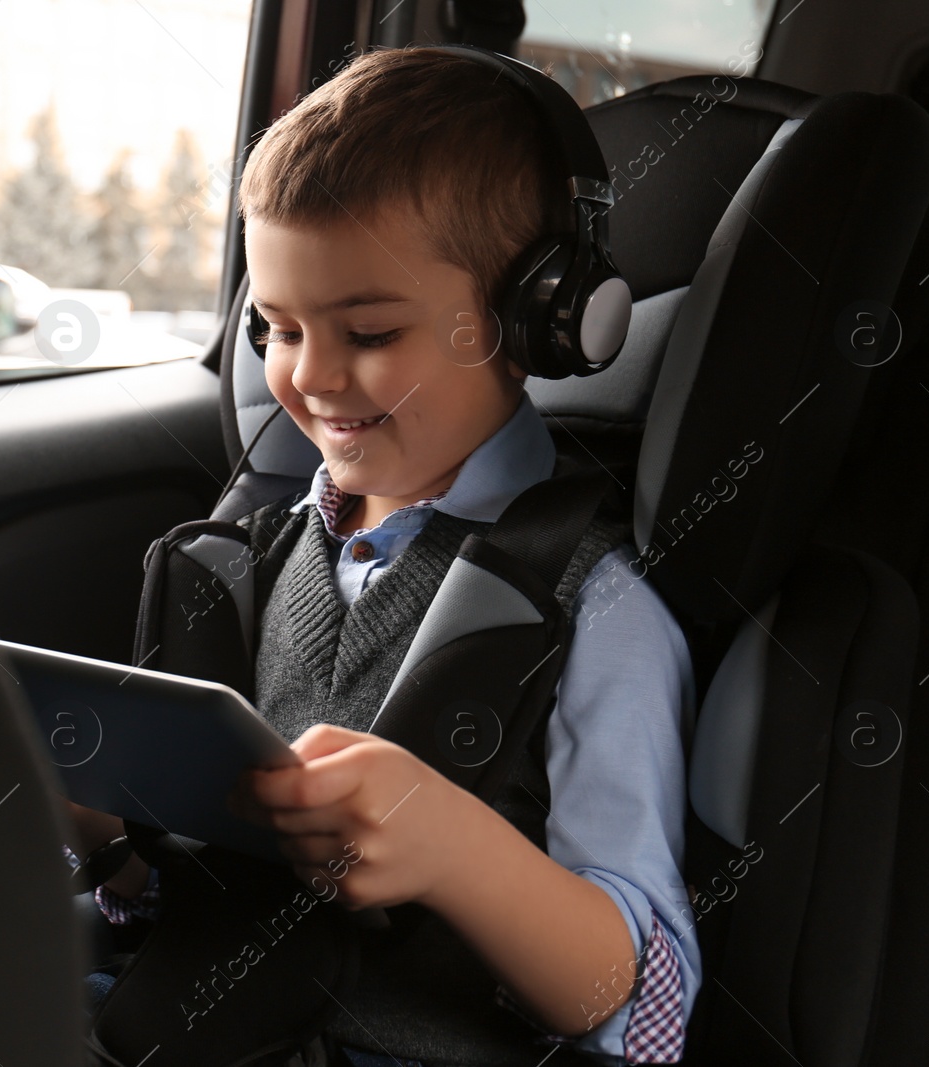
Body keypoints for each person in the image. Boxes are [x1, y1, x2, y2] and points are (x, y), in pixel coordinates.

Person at [69, 44, 699, 1066]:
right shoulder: (242, 564)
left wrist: (456, 848)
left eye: (367, 329)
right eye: (275, 327)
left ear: (545, 319)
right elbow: (177, 906)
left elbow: (638, 1007)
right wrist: (110, 835)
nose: (310, 374)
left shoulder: (597, 608)